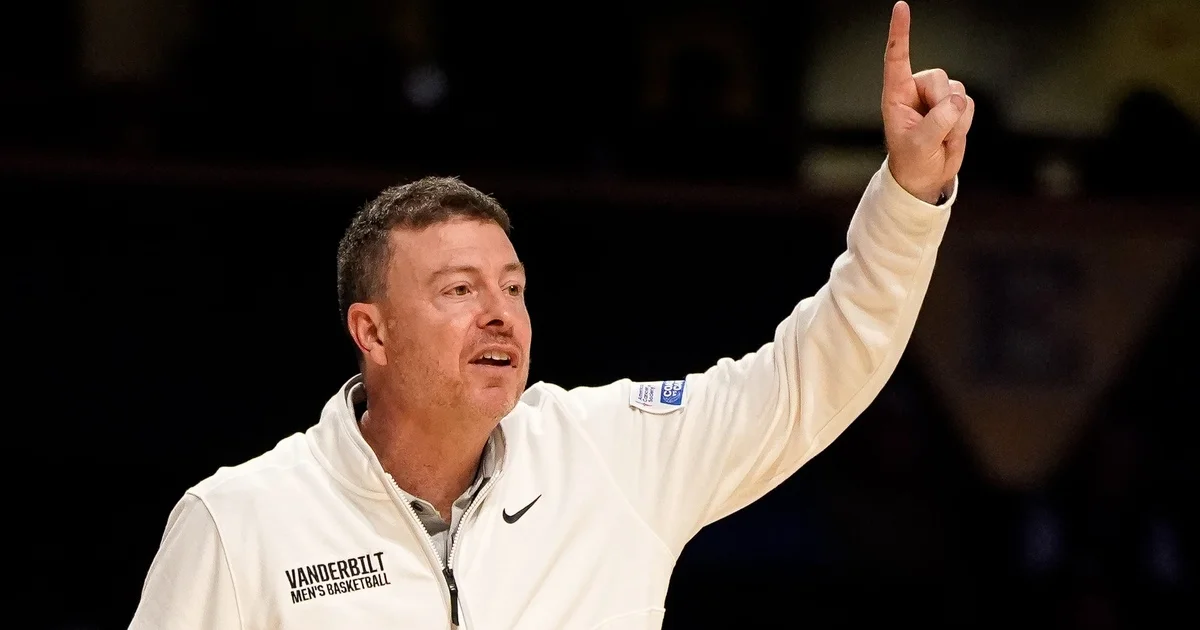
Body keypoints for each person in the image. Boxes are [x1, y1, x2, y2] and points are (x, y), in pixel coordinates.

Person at [129, 3, 974, 628]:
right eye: (460, 291)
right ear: (371, 332)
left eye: (513, 287)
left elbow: (811, 377)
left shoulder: (612, 456)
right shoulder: (240, 524)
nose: (500, 315)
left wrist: (907, 197)